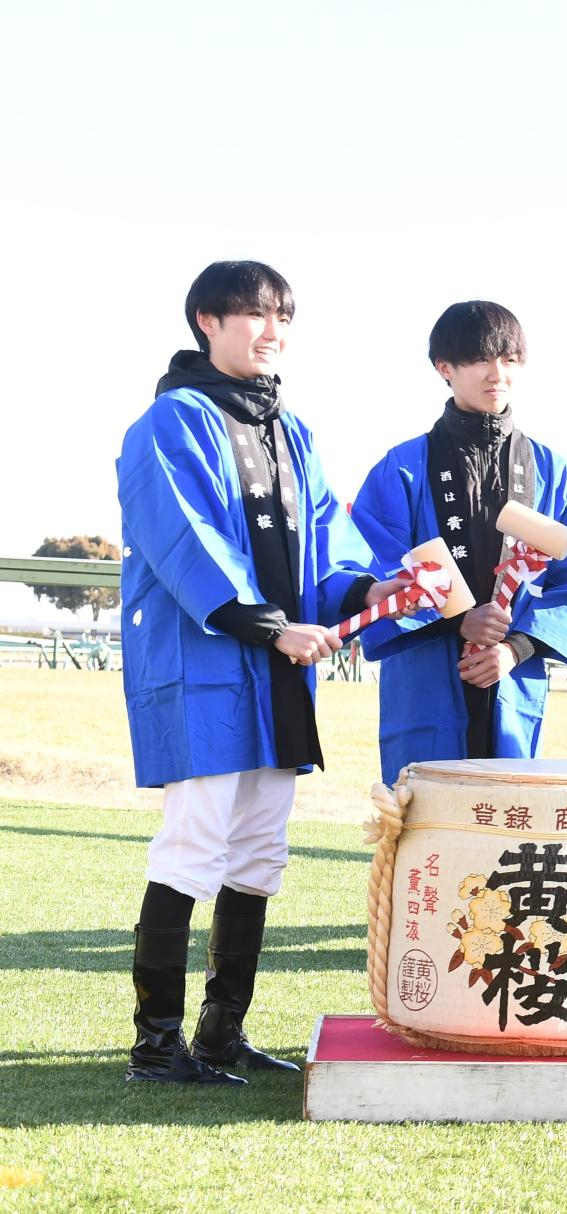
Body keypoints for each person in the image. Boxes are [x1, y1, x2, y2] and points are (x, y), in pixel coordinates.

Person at [116, 261, 411, 1084]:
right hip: (211, 662)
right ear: (206, 321)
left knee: (257, 852)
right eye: (252, 313)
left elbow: (326, 537)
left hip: (281, 673)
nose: (271, 329)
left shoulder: (293, 431)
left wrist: (365, 587)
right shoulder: (169, 422)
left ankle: (220, 1036)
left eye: (281, 315)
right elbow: (182, 540)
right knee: (192, 843)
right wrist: (271, 625)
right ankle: (155, 1045)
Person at [351, 301, 567, 783]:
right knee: (424, 819)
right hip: (427, 671)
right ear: (444, 368)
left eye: (509, 360)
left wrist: (517, 649)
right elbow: (376, 569)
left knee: (506, 818)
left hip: (512, 675)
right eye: (479, 360)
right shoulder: (400, 470)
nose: (497, 374)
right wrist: (456, 621)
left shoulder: (555, 475)